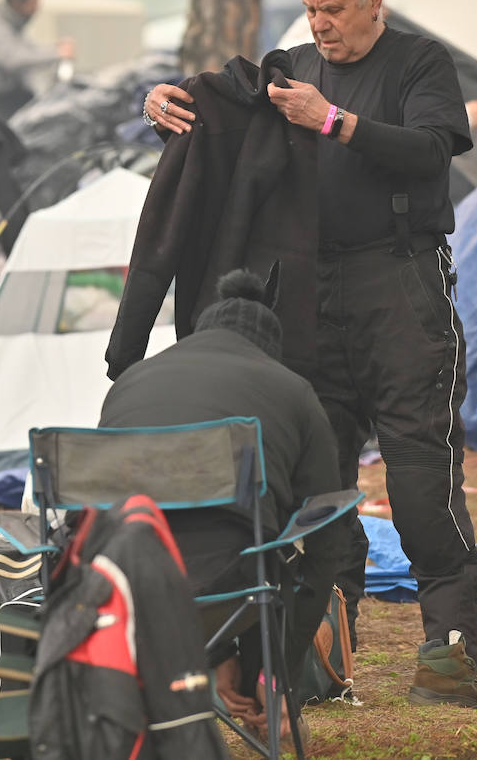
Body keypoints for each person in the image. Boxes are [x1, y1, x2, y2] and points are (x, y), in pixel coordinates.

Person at [140, 0, 477, 710]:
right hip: (308, 290)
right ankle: (324, 649)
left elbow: (431, 152)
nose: (320, 25)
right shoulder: (290, 64)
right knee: (319, 483)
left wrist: (333, 122)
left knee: (420, 472)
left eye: (333, 9)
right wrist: (166, 112)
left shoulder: (419, 62)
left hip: (400, 282)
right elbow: (223, 125)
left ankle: (450, 645)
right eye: (311, 8)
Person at [100, 268, 345, 740]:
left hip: (120, 578)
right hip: (231, 583)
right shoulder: (291, 389)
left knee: (233, 537)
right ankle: (264, 694)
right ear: (268, 345)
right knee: (270, 543)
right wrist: (276, 676)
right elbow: (325, 528)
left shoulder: (129, 382)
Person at [0, 0, 75, 119]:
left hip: (14, 96)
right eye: (34, 3)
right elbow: (14, 60)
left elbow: (30, 50)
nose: (37, 9)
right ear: (19, 3)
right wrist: (57, 53)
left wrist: (54, 48)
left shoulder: (14, 26)